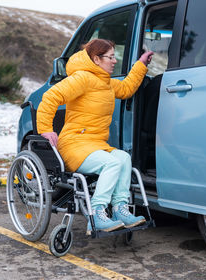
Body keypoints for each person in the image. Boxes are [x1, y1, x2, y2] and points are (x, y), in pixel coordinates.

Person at [36, 39, 153, 235]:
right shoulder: (82, 78)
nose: (114, 61)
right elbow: (50, 97)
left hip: (95, 144)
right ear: (96, 59)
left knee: (123, 158)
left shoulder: (105, 82)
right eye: (110, 57)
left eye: (115, 56)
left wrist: (141, 64)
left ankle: (120, 210)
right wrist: (46, 128)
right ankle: (97, 214)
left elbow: (126, 89)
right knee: (111, 163)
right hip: (74, 144)